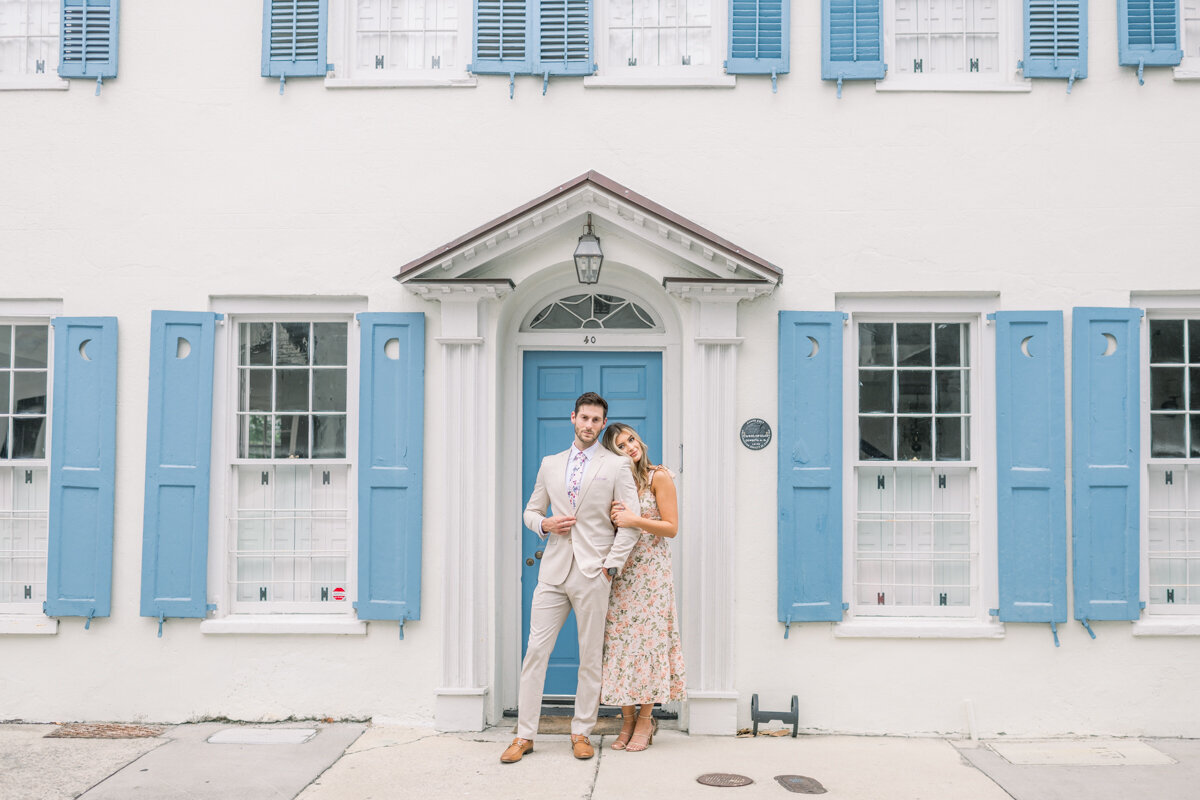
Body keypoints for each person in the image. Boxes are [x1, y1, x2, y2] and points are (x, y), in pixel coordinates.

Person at [501, 392, 641, 764]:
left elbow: (631, 521)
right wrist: (543, 523)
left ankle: (581, 732)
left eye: (596, 420)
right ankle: (524, 735)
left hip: (594, 573)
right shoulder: (550, 464)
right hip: (553, 572)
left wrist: (611, 566)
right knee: (535, 653)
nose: (589, 426)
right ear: (573, 418)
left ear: (601, 423)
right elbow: (530, 510)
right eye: (584, 418)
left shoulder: (617, 466)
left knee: (590, 657)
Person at [600, 422, 686, 752]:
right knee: (621, 645)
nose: (631, 447)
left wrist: (634, 520)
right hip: (621, 574)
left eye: (631, 439)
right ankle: (626, 718)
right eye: (621, 445)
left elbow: (671, 527)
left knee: (648, 645)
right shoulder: (614, 484)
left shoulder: (658, 477)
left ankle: (646, 719)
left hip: (651, 574)